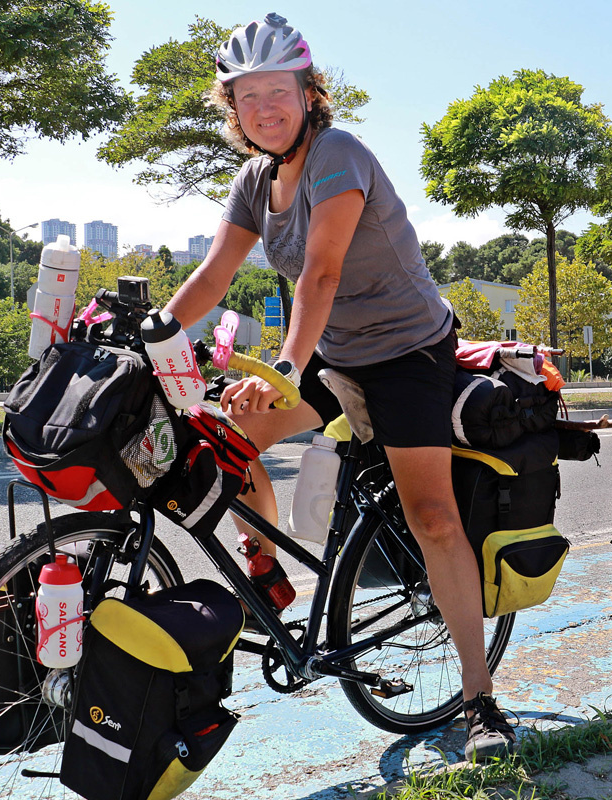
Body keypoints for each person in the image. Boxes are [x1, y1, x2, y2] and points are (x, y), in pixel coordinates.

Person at [163, 14, 515, 760]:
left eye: (277, 91)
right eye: (247, 96)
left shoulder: (338, 154)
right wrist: (149, 332)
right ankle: (267, 577)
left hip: (407, 351)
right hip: (335, 352)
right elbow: (216, 273)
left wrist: (286, 368)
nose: (264, 108)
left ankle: (480, 697)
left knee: (432, 517)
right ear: (233, 108)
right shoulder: (256, 180)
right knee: (226, 442)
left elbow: (320, 273)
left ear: (307, 91)